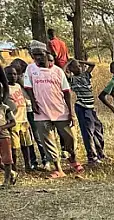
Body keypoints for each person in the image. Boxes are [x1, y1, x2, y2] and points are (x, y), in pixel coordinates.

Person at [23, 41, 81, 177]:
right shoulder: (31, 69)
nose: (38, 57)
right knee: (47, 140)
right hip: (41, 111)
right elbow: (28, 87)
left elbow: (66, 92)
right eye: (35, 55)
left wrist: (71, 112)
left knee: (69, 138)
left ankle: (72, 158)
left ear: (46, 54)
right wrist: (33, 102)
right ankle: (57, 168)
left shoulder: (57, 71)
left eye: (40, 54)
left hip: (60, 110)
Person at [65, 59, 106, 164]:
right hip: (82, 107)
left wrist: (80, 61)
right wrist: (67, 64)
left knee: (98, 129)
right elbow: (62, 71)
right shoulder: (72, 79)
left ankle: (100, 153)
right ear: (71, 69)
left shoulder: (85, 75)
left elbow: (93, 64)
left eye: (79, 66)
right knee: (88, 133)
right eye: (76, 66)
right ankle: (92, 157)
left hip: (91, 107)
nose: (79, 67)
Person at [5, 66, 36, 172]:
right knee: (14, 147)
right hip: (13, 121)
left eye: (14, 74)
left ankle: (28, 165)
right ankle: (14, 167)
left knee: (26, 144)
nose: (12, 76)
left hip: (23, 119)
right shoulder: (4, 88)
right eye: (9, 74)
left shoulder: (18, 86)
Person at [0, 78, 16, 186]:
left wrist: (3, 127)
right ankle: (12, 173)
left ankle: (6, 181)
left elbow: (13, 122)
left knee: (7, 159)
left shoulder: (5, 108)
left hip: (3, 136)